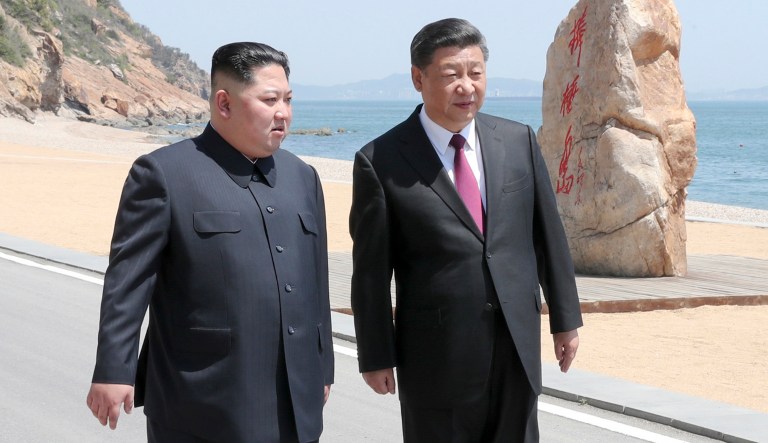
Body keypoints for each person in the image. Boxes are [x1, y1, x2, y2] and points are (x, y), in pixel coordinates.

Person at [86, 42, 334, 443]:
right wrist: (114, 369)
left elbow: (315, 281)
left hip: (295, 398)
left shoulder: (303, 177)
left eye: (288, 99)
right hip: (202, 398)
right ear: (224, 103)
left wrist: (322, 368)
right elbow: (128, 282)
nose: (283, 113)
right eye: (270, 99)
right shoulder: (164, 174)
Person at [349, 18, 583, 442]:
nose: (467, 86)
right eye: (451, 74)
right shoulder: (380, 160)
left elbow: (548, 236)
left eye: (476, 73)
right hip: (436, 357)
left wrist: (565, 319)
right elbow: (370, 273)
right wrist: (375, 355)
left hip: (516, 344)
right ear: (418, 78)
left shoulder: (518, 140)